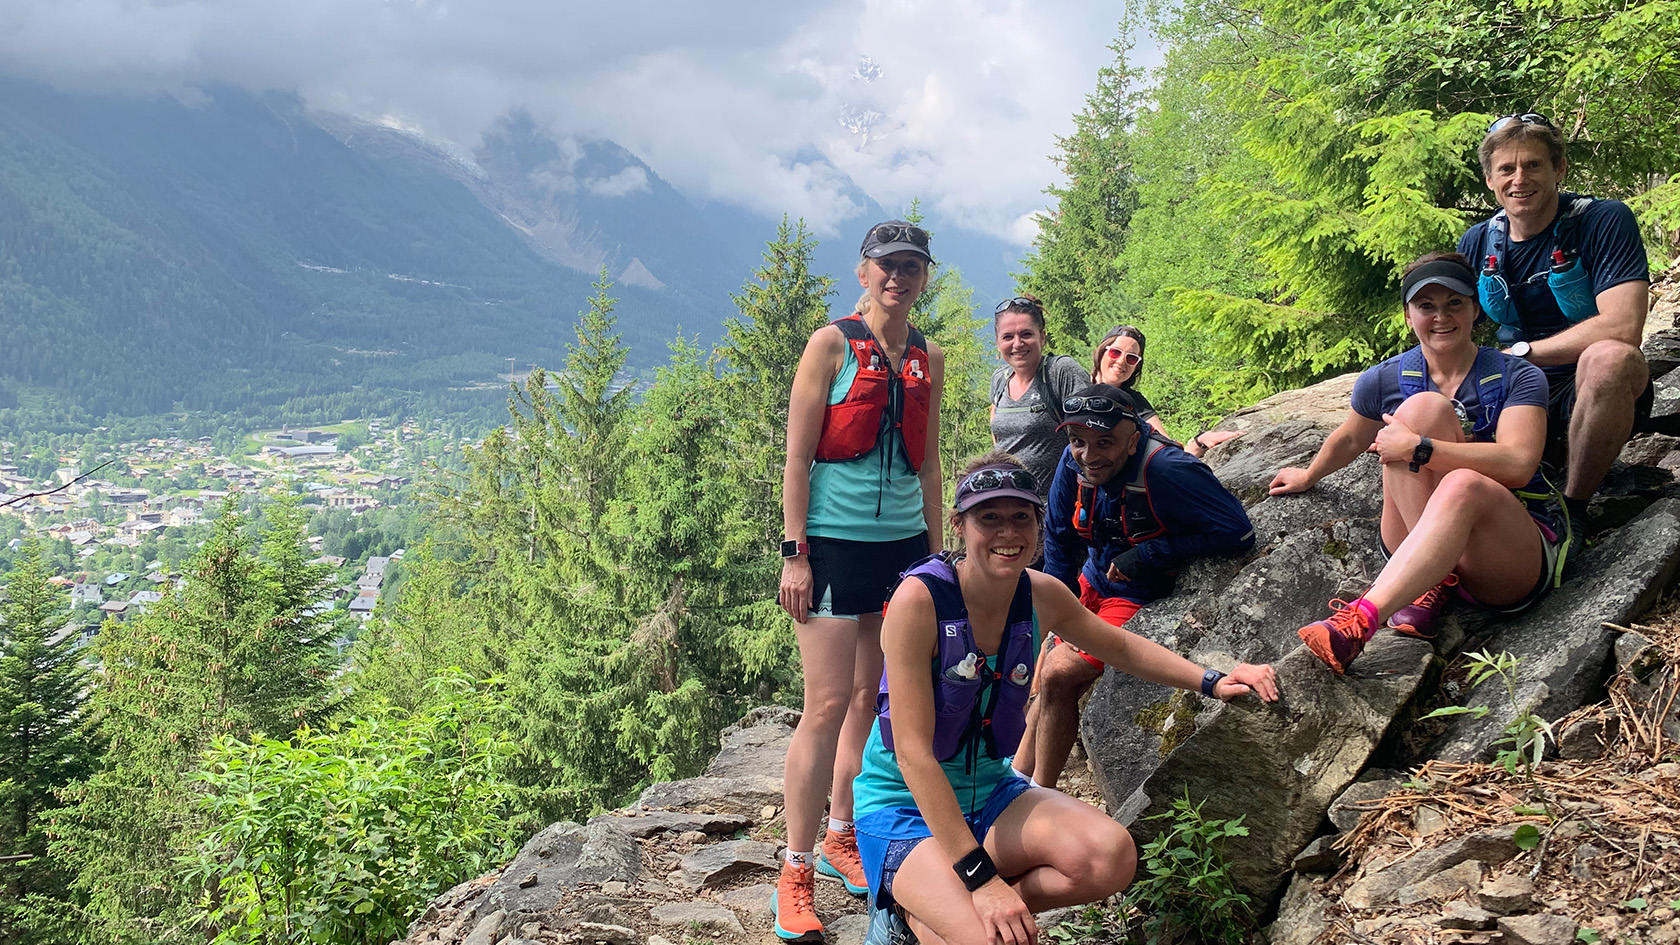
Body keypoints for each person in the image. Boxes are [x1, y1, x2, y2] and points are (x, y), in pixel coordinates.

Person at [853, 452, 1278, 945]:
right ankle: (914, 915)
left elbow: (1117, 644)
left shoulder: (1040, 594)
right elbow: (911, 754)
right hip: (905, 807)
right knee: (997, 940)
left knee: (1110, 857)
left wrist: (1211, 679)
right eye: (989, 517)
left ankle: (945, 910)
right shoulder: (920, 601)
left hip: (989, 792)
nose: (1008, 533)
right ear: (959, 525)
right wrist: (983, 882)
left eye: (1021, 517)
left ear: (1038, 522)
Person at [1269, 252, 1567, 673]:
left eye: (1454, 303)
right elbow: (1352, 436)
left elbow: (1518, 464)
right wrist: (1309, 474)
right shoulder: (1386, 379)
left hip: (1501, 551)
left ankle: (1361, 618)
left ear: (1475, 309)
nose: (1440, 317)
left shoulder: (1516, 376)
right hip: (1411, 529)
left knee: (1462, 482)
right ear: (1409, 315)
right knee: (1424, 407)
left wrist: (1419, 448)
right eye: (1426, 306)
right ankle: (1432, 582)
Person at [773, 220, 946, 941]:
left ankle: (845, 831)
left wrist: (939, 562)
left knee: (875, 701)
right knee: (826, 701)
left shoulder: (930, 355)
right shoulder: (831, 342)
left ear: (923, 276)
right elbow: (797, 454)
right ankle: (795, 869)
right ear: (863, 270)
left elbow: (931, 462)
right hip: (835, 544)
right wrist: (794, 551)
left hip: (902, 544)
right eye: (886, 265)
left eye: (911, 266)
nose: (898, 278)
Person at [1015, 384, 1258, 789]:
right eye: (1078, 441)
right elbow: (1059, 533)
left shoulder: (1168, 470)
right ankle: (1017, 775)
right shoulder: (1074, 462)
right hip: (1091, 581)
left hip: (1138, 594)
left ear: (1132, 441)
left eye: (1104, 442)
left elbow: (1238, 533)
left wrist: (1148, 554)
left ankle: (1039, 794)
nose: (1089, 456)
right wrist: (1060, 600)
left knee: (1059, 673)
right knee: (1049, 653)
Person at [1457, 113, 1651, 526]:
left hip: (1591, 385)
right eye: (1506, 168)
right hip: (1518, 388)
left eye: (1533, 165)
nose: (1519, 178)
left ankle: (1572, 511)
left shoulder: (1603, 220)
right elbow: (1450, 327)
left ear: (1558, 168)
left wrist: (1522, 355)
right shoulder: (1478, 241)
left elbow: (1623, 327)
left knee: (1610, 358)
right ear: (1490, 180)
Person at [988, 295, 1088, 503]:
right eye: (1008, 337)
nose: (1017, 344)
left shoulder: (1060, 372)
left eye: (1026, 334)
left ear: (1042, 337)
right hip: (1008, 504)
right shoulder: (999, 379)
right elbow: (997, 437)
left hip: (1055, 506)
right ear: (997, 342)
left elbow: (1090, 434)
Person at [1091, 324, 1241, 460]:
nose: (1121, 361)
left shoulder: (1135, 402)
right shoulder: (1074, 384)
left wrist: (1198, 443)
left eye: (1131, 358)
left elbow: (1168, 451)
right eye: (1115, 352)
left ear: (1136, 367)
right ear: (1102, 351)